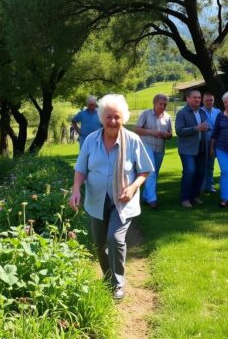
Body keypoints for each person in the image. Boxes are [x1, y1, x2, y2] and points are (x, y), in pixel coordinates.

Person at [69, 94, 153, 301]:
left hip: (122, 201)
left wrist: (133, 187)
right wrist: (76, 189)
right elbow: (80, 169)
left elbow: (144, 171)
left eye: (117, 117)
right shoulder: (91, 140)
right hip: (96, 199)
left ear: (123, 117)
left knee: (114, 239)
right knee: (98, 244)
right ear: (101, 117)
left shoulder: (132, 140)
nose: (113, 121)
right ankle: (107, 278)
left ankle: (118, 284)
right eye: (108, 117)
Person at [134, 93, 173, 209]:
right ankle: (152, 200)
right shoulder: (145, 114)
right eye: (160, 104)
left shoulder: (168, 117)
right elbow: (136, 129)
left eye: (165, 104)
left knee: (154, 173)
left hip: (160, 148)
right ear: (154, 103)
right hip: (146, 146)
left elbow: (171, 134)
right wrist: (151, 132)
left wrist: (167, 135)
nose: (162, 106)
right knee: (151, 171)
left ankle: (146, 196)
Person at [175, 89, 209, 208]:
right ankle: (185, 198)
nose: (197, 100)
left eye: (199, 98)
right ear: (188, 99)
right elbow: (179, 131)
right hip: (187, 149)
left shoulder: (202, 112)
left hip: (201, 147)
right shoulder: (182, 113)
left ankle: (194, 196)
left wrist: (205, 128)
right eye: (195, 97)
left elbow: (205, 127)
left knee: (200, 173)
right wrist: (196, 128)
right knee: (189, 172)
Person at [201, 92, 222, 193]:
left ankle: (209, 186)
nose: (209, 102)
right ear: (203, 101)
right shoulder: (199, 112)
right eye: (207, 100)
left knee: (211, 165)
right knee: (204, 164)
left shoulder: (218, 111)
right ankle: (202, 186)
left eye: (211, 100)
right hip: (204, 142)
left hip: (218, 141)